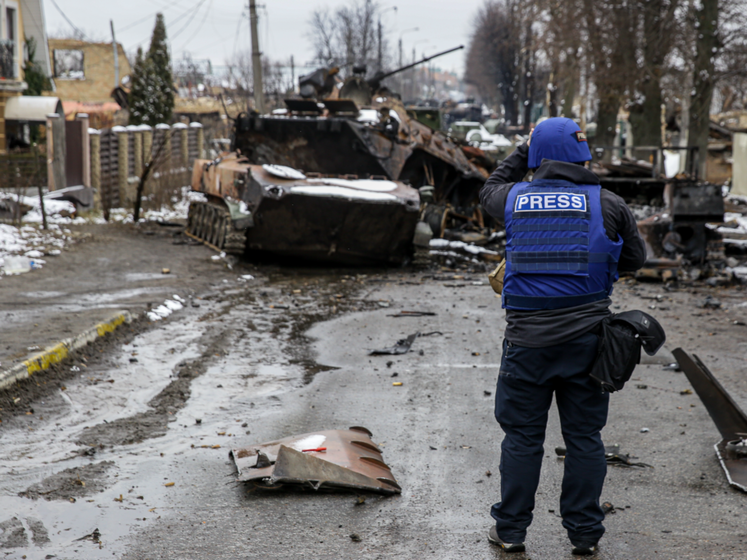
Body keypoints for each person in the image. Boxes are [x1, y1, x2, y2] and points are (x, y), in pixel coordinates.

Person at [479, 117, 646, 555]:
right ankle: (585, 536)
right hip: (589, 346)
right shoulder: (608, 203)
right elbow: (634, 259)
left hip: (526, 346)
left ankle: (511, 531)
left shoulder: (513, 198)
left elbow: (489, 186)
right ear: (583, 154)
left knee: (521, 439)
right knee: (585, 439)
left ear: (536, 156)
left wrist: (523, 149)